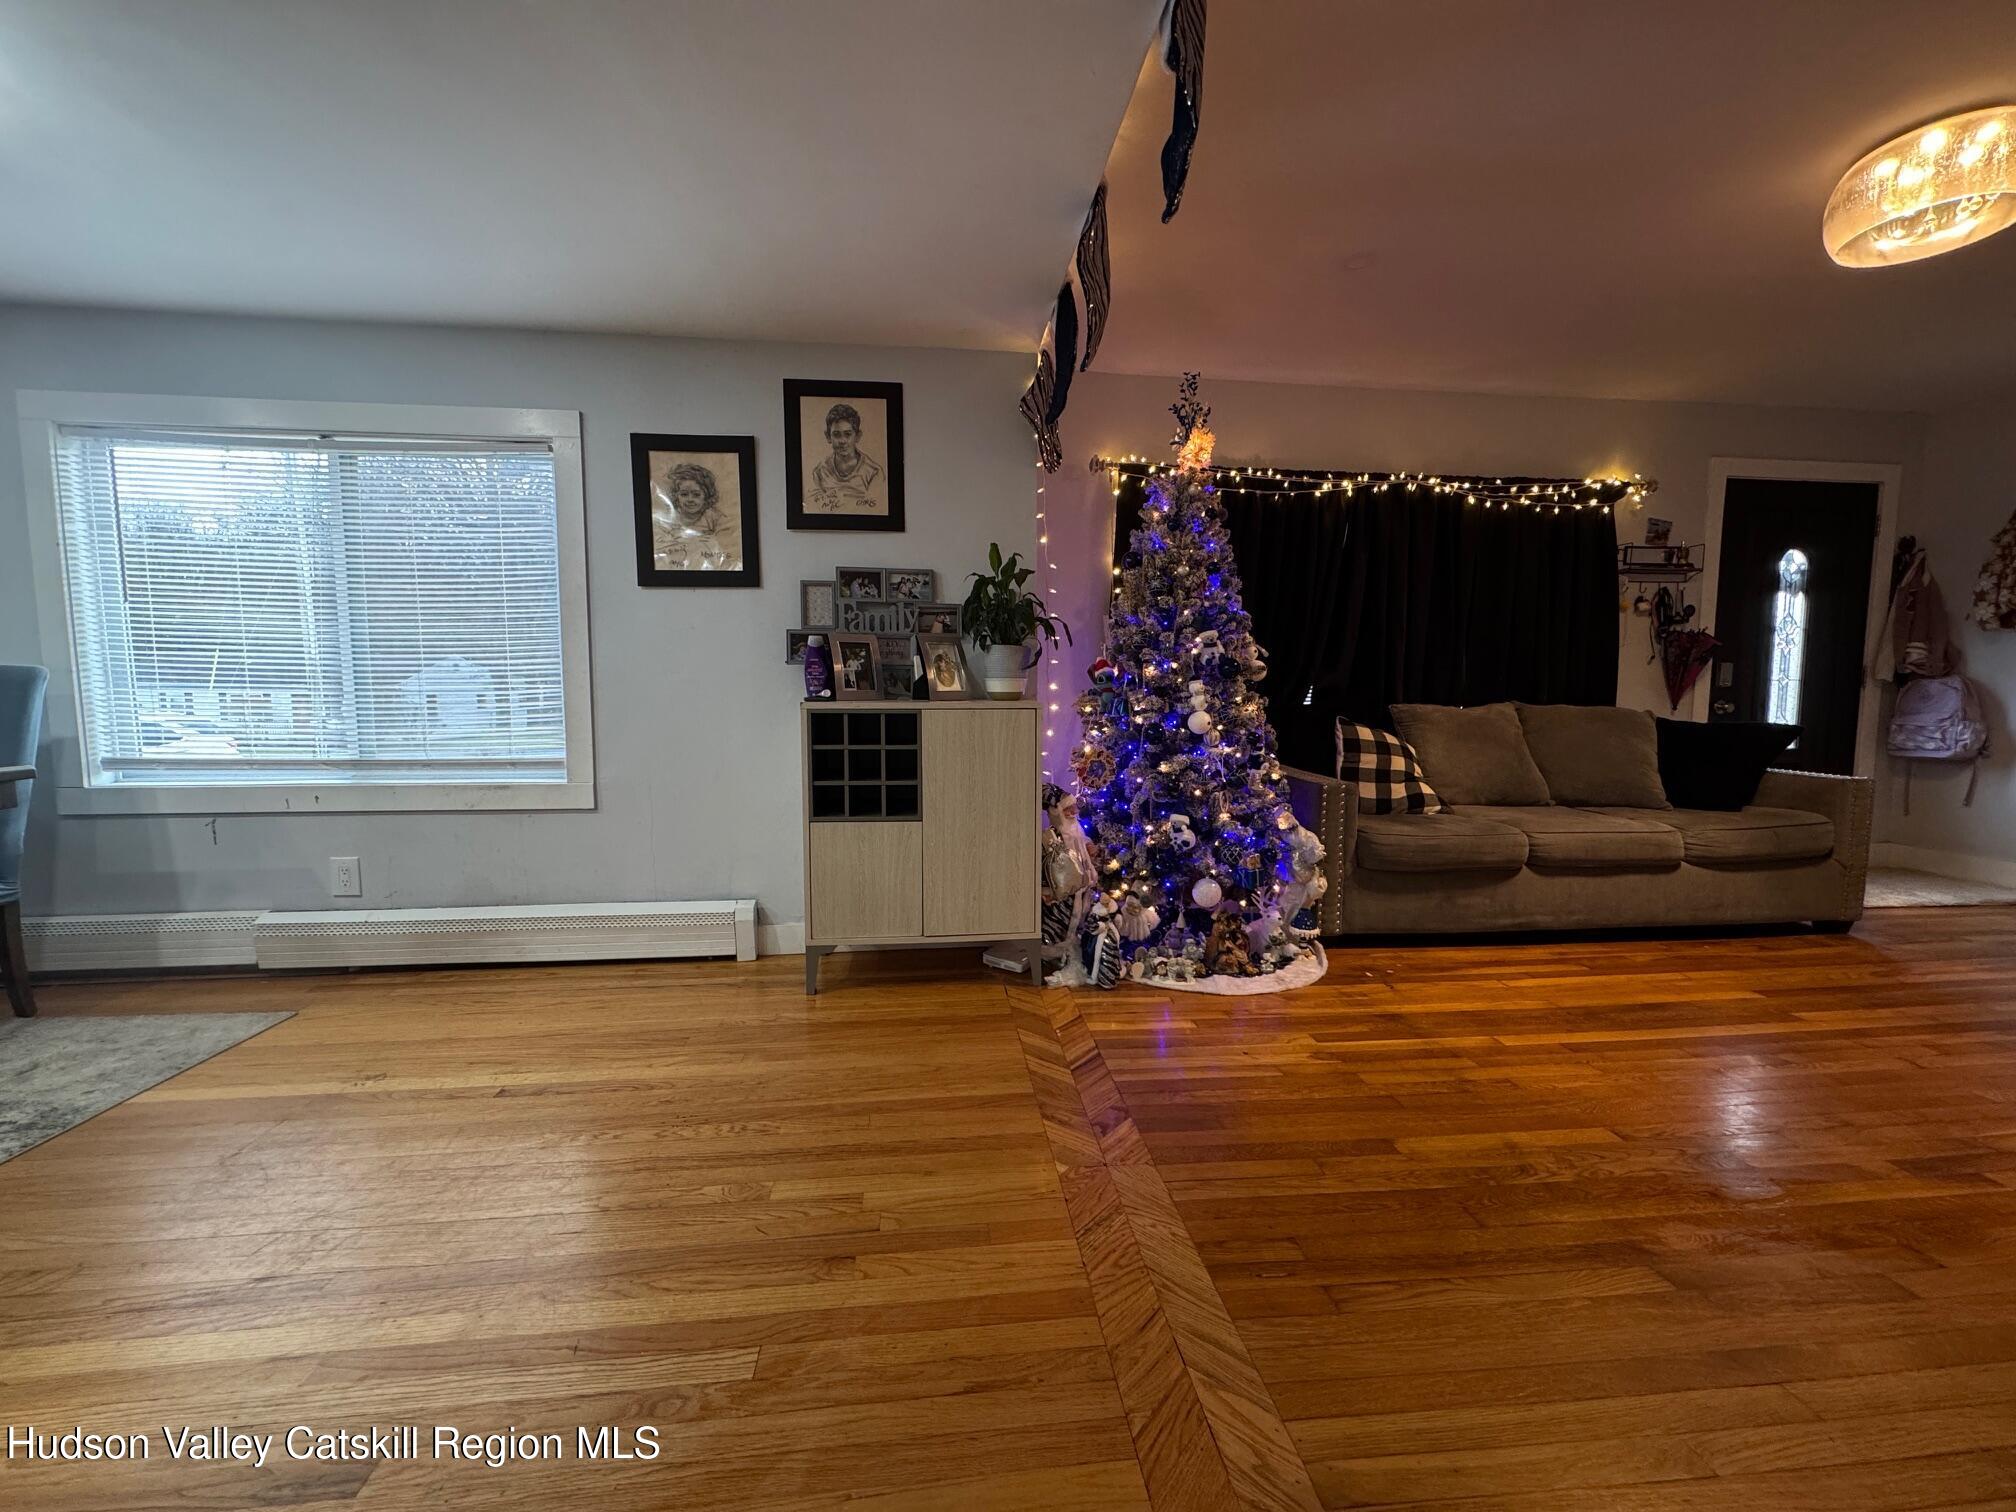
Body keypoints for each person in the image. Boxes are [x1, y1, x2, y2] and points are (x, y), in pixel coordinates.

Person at [652, 460, 740, 571]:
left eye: (696, 495)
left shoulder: (713, 516)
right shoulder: (671, 517)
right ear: (676, 496)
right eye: (684, 494)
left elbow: (726, 542)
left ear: (706, 495)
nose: (690, 500)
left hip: (707, 562)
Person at [806, 403, 884, 514]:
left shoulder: (874, 472)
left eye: (847, 434)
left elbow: (877, 510)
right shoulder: (820, 472)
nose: (842, 441)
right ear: (828, 437)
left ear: (857, 436)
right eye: (836, 434)